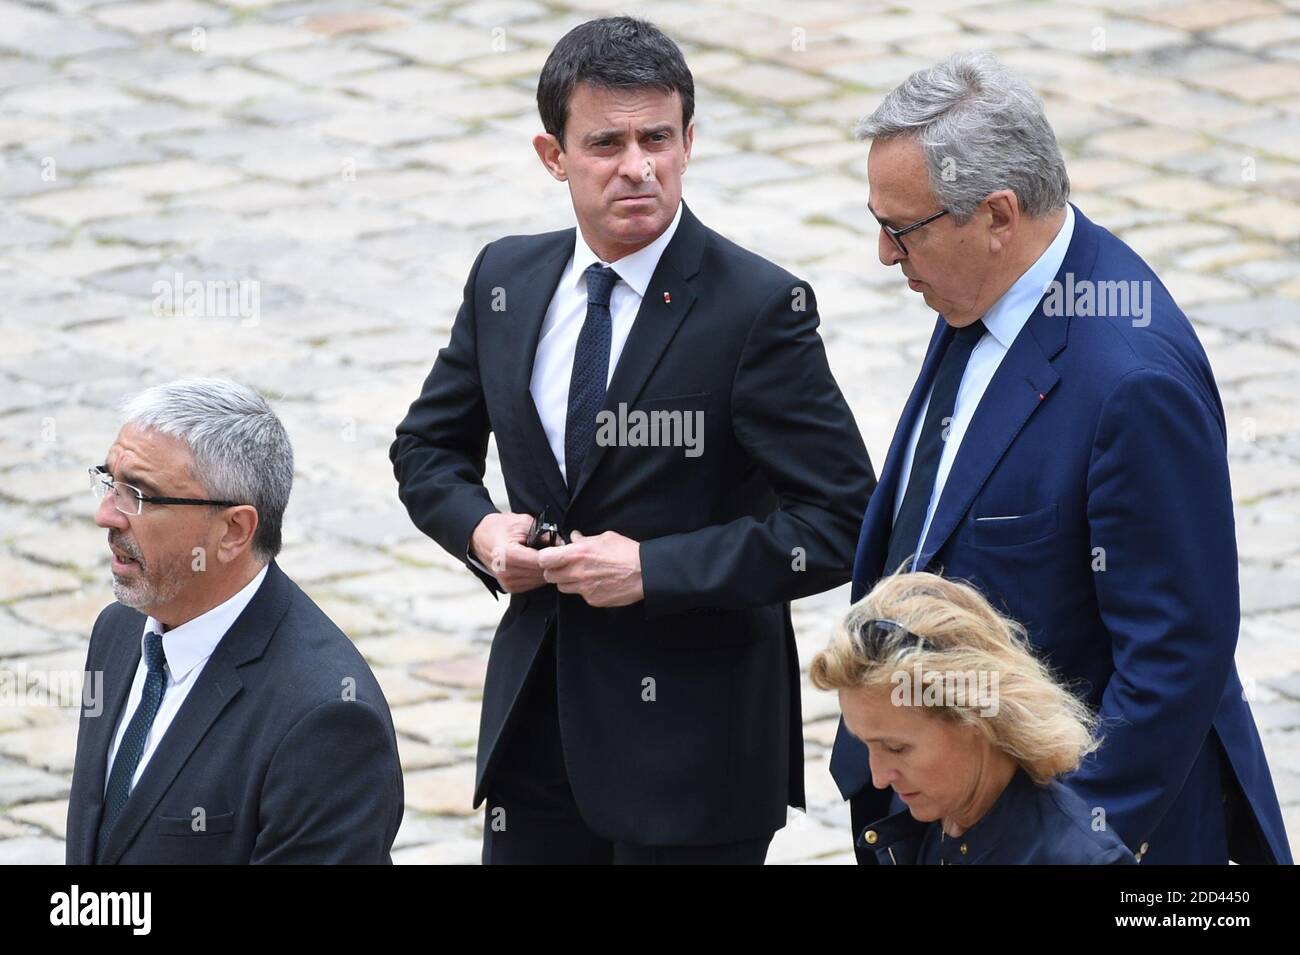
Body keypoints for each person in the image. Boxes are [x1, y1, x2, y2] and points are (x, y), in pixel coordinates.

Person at [390, 16, 875, 864]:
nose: (638, 166)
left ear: (689, 139)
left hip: (697, 755)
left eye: (658, 137)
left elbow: (841, 521)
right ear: (554, 156)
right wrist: (480, 529)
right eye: (606, 143)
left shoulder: (758, 308)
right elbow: (427, 448)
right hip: (535, 732)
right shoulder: (505, 277)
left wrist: (654, 570)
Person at [831, 51, 1291, 866]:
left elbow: (1176, 654)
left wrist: (1072, 840)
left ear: (999, 216)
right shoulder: (986, 285)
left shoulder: (1130, 383)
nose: (884, 256)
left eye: (901, 231)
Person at [66, 378, 403, 864]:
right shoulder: (119, 631)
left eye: (140, 495)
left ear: (233, 531)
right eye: (109, 481)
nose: (107, 515)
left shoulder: (326, 721)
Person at [813, 571, 1133, 864]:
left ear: (978, 717)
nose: (879, 777)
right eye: (866, 745)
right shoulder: (926, 821)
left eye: (897, 748)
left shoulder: (1080, 858)